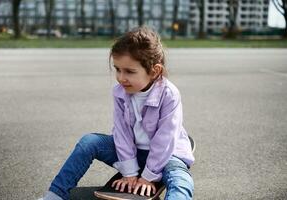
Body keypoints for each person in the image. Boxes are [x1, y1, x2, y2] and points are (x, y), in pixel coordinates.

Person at [40, 26, 195, 200]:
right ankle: (55, 195)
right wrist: (129, 173)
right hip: (133, 153)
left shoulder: (169, 94)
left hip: (167, 156)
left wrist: (148, 177)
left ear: (154, 71)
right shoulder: (120, 92)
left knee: (181, 181)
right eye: (118, 69)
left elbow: (165, 140)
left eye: (129, 71)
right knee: (89, 142)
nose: (121, 77)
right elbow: (121, 133)